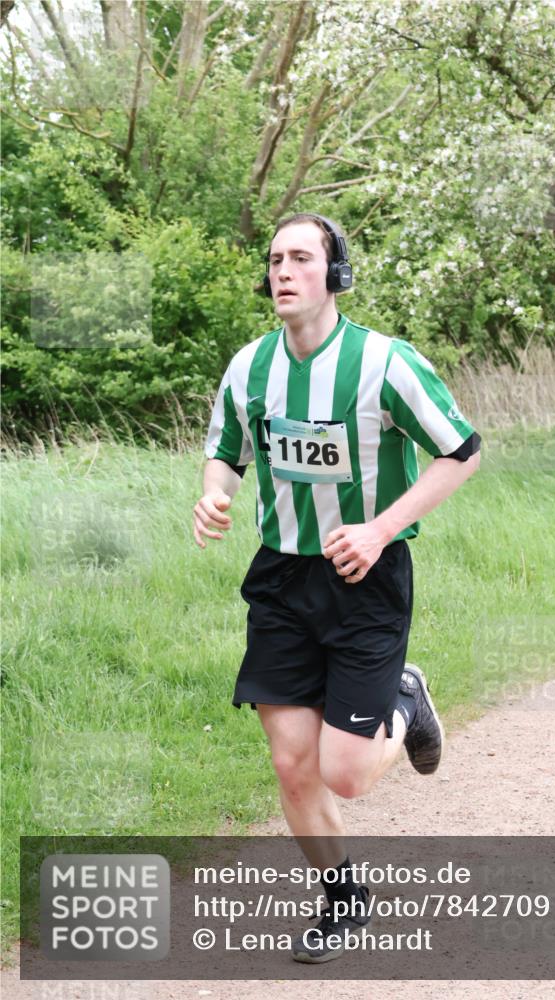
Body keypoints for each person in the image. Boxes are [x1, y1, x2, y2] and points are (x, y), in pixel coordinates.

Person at [193, 212, 481, 963]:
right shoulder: (248, 367)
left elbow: (461, 452)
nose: (283, 271)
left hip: (365, 576)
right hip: (282, 577)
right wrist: (213, 494)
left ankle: (406, 698)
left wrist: (381, 527)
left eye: (300, 257)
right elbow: (227, 453)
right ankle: (342, 900)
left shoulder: (384, 363)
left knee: (343, 774)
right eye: (274, 259)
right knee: (291, 762)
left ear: (335, 273)